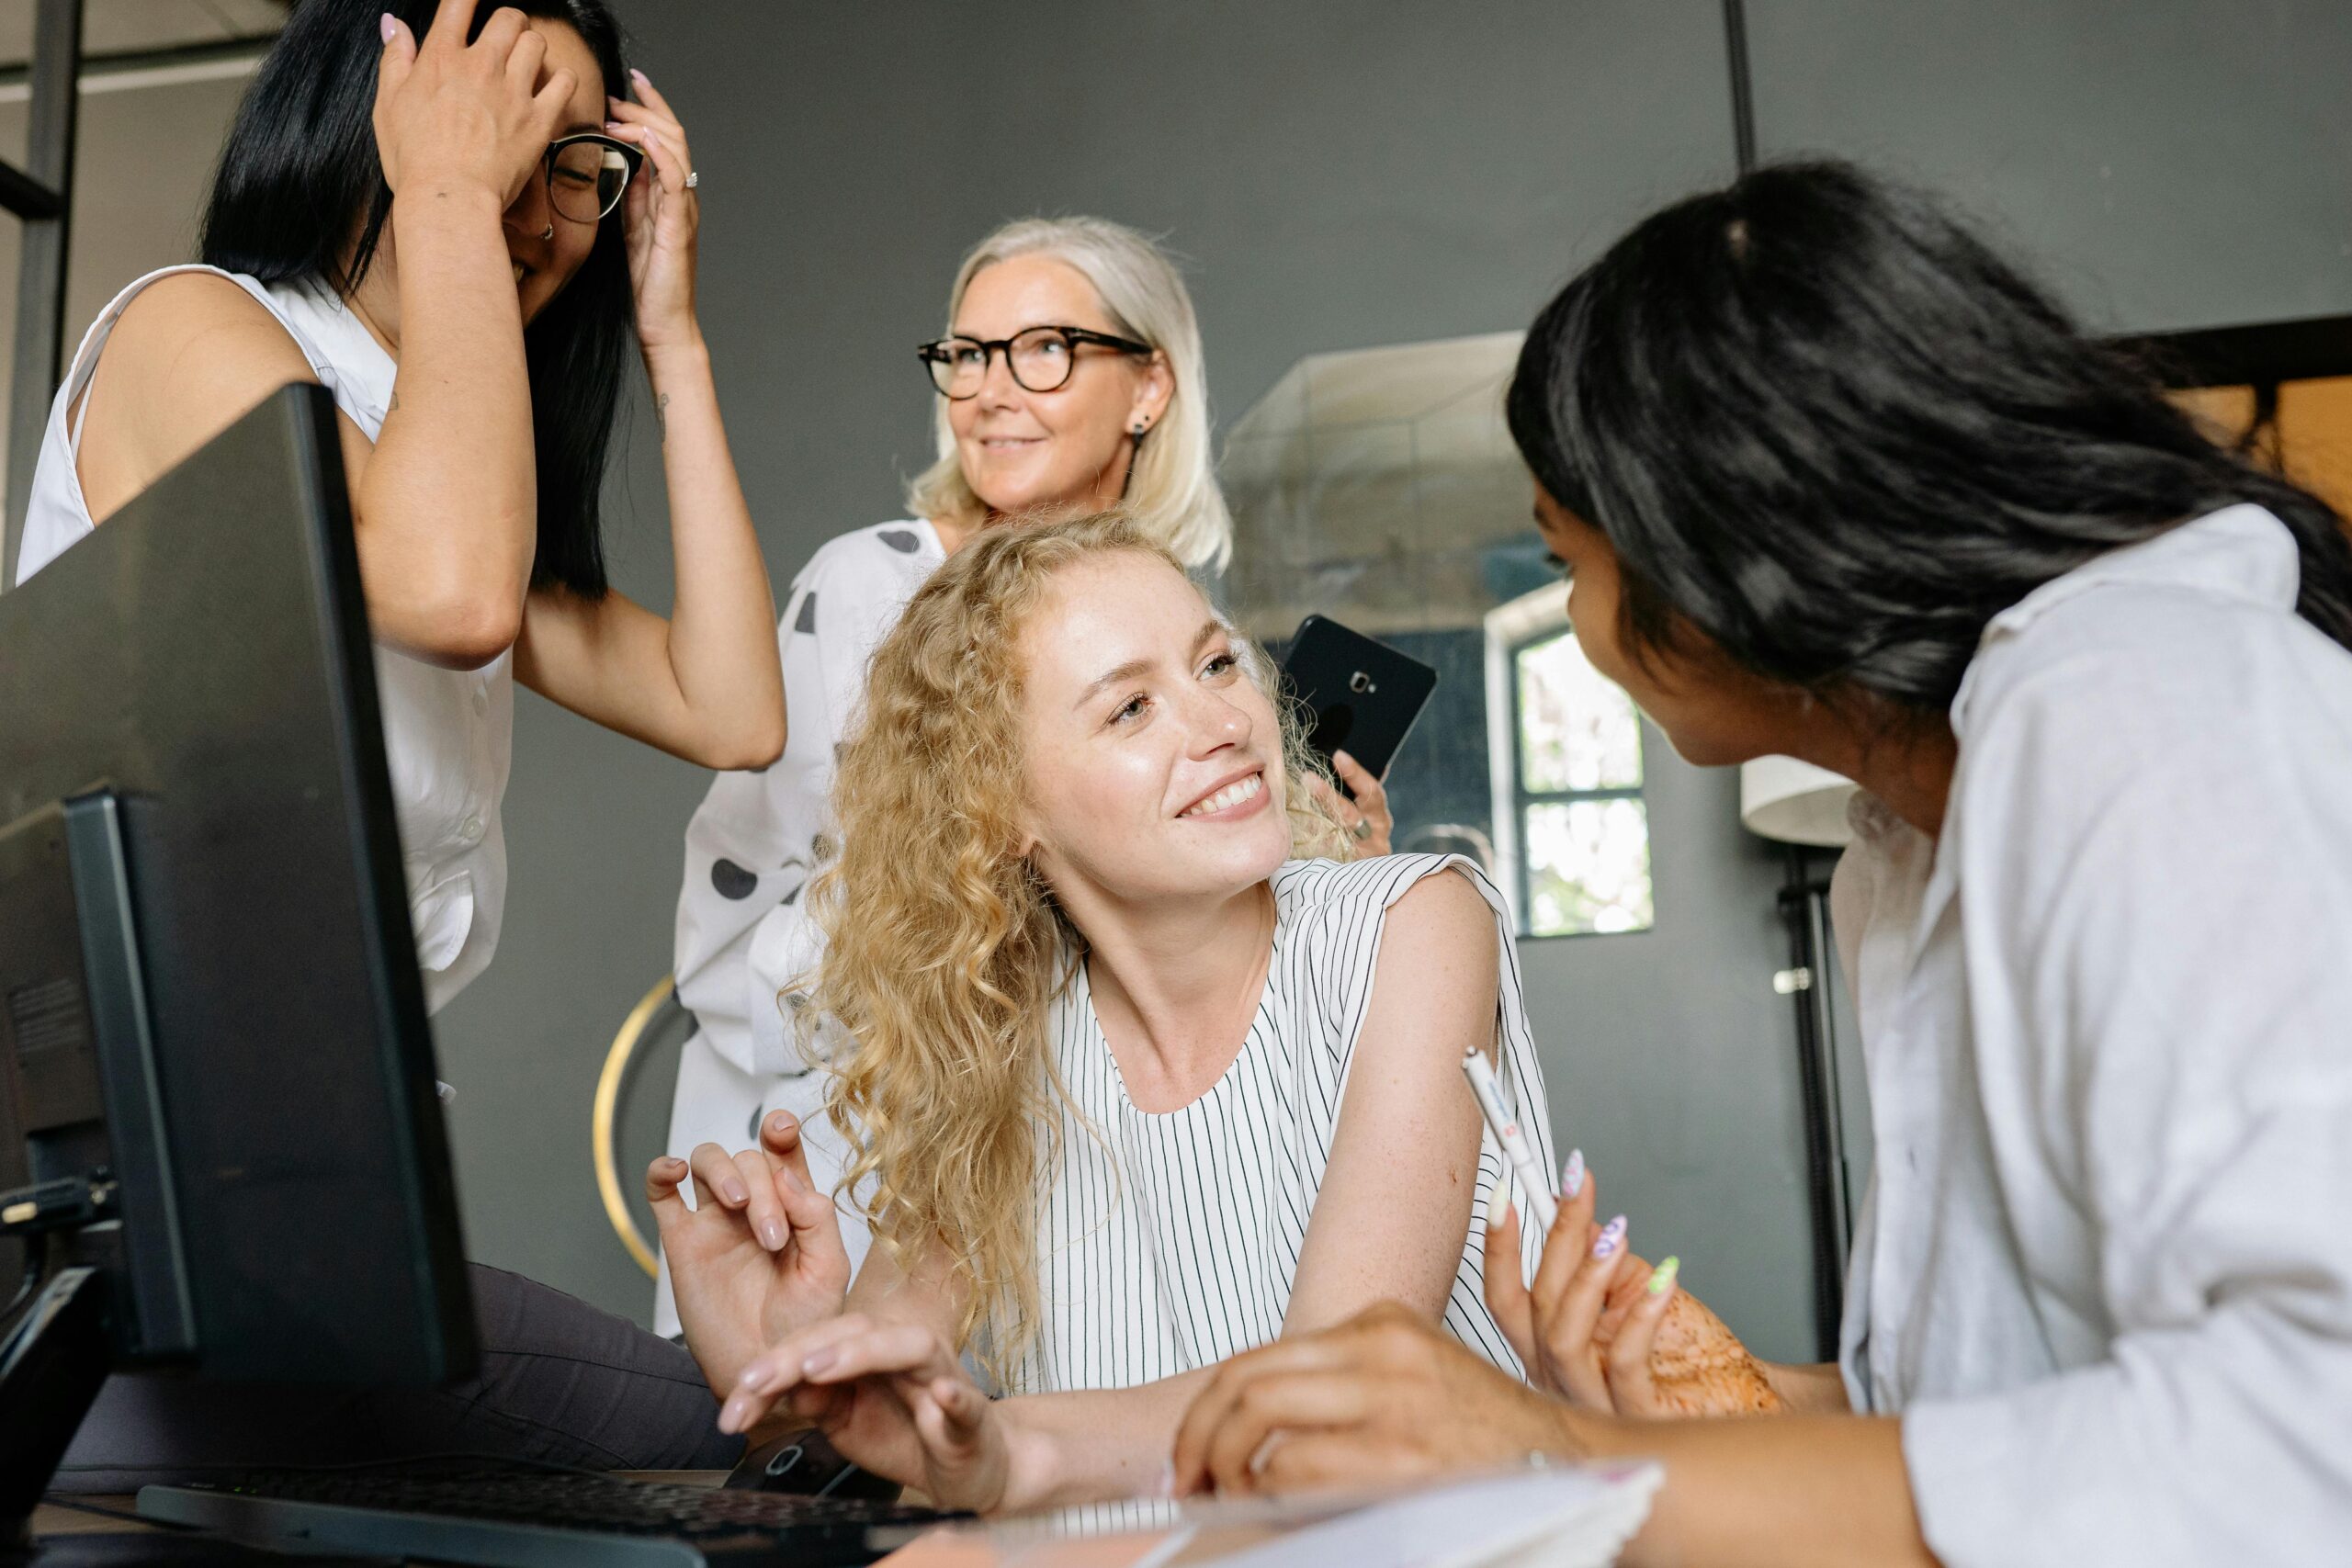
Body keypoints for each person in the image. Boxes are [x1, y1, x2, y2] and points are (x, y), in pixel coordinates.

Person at [1168, 162, 2352, 1566]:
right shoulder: (1906, 846)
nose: (1583, 627)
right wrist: (1729, 1410)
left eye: (1571, 563)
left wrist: (1575, 1460)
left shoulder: (2148, 710)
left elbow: (2299, 1444)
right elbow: (2027, 1416)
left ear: (1716, 550)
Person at [41, 0, 781, 1483]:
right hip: (135, 1234)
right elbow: (448, 589)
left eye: (574, 157)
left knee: (769, 1448)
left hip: (303, 1221)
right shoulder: (192, 328)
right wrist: (448, 188)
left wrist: (673, 330)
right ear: (366, 110)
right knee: (760, 1449)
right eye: (489, 112)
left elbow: (730, 705)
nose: (530, 195)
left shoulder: (440, 469)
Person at [649, 510, 1549, 1513]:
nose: (1225, 723)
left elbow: (1323, 1406)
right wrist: (787, 1370)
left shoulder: (1415, 925)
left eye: (1214, 665)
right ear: (1001, 809)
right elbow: (885, 1412)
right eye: (1130, 709)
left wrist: (1006, 1451)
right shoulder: (998, 1064)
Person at [660, 218, 1393, 1329]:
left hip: (1100, 1191)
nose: (990, 392)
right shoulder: (871, 594)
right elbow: (736, 947)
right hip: (863, 1172)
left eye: (1042, 349)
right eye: (966, 355)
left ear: (1149, 386)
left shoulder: (1203, 640)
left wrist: (1321, 864)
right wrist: (1020, 918)